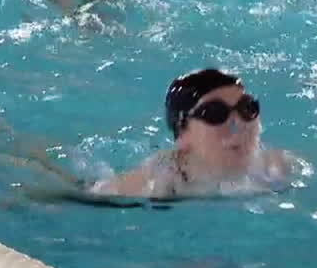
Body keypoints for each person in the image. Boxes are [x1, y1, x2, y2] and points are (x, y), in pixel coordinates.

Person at [88, 68, 297, 199]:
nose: (239, 124)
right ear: (183, 134)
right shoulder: (158, 184)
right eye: (215, 113)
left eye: (247, 108)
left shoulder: (278, 169)